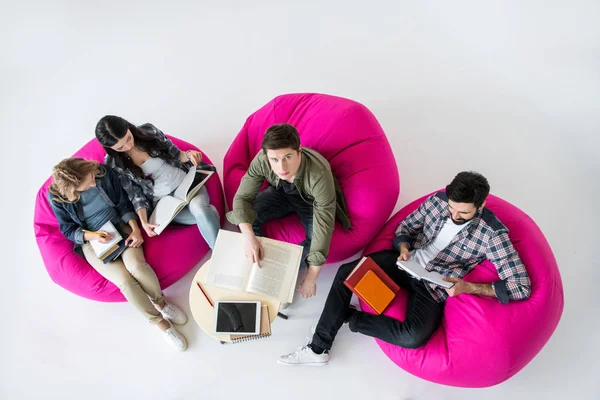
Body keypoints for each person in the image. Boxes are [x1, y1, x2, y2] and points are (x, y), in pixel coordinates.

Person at [278, 171, 531, 365]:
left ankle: (349, 317)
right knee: (348, 272)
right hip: (405, 264)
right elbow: (405, 228)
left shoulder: (493, 235)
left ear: (481, 206)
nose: (454, 215)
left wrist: (468, 286)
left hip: (434, 285)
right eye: (452, 208)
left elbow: (520, 286)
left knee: (413, 338)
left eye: (463, 213)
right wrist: (403, 248)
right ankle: (318, 348)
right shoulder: (438, 201)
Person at [48, 158, 188, 351]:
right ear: (73, 190)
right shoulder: (58, 198)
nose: (93, 182)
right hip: (93, 241)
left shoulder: (101, 173)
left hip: (120, 226)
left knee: (137, 267)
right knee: (124, 281)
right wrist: (92, 235)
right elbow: (68, 229)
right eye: (87, 184)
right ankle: (161, 324)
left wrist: (135, 229)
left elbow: (123, 203)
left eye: (91, 177)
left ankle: (162, 304)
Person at [226, 123, 351, 299]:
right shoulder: (262, 159)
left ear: (299, 151)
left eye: (288, 157)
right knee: (248, 217)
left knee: (314, 239)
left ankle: (279, 273)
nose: (282, 168)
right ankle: (257, 260)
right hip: (280, 192)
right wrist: (249, 237)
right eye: (274, 160)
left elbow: (322, 235)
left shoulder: (319, 175)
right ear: (266, 155)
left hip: (310, 202)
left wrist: (310, 279)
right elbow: (242, 198)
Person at [95, 115, 220, 249]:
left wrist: (189, 154)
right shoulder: (113, 162)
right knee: (208, 212)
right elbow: (135, 194)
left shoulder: (149, 131)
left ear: (128, 127)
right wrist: (143, 222)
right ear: (110, 148)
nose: (128, 145)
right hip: (165, 203)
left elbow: (177, 155)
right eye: (120, 147)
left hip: (187, 183)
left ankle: (220, 257)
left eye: (128, 138)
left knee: (199, 207)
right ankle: (226, 249)